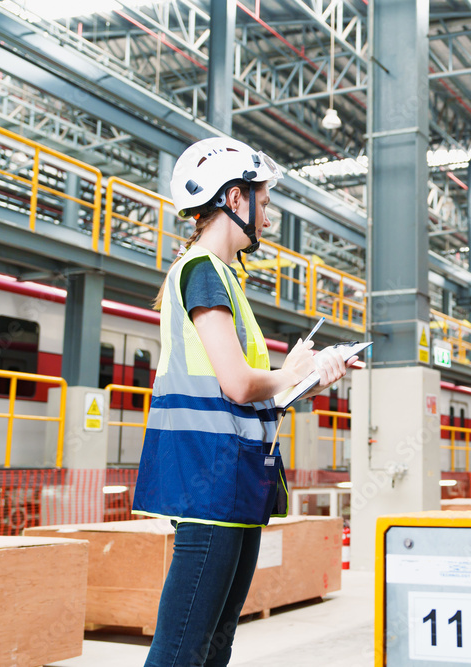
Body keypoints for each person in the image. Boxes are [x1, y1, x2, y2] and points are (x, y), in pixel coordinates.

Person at [132, 137, 350, 667]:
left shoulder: (225, 277)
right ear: (234, 198)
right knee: (183, 648)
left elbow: (249, 398)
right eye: (265, 199)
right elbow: (236, 384)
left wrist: (309, 379)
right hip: (211, 480)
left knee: (212, 645)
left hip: (234, 481)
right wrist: (287, 372)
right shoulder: (202, 270)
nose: (269, 214)